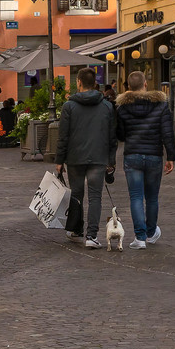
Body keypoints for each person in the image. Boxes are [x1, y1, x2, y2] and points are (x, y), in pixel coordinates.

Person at [55, 68, 117, 248]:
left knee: (77, 194)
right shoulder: (106, 106)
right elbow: (111, 136)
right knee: (95, 196)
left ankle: (76, 230)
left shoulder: (69, 106)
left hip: (74, 157)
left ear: (79, 82)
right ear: (95, 84)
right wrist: (111, 161)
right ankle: (92, 236)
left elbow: (63, 136)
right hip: (98, 157)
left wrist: (59, 160)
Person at [115, 71, 175, 249]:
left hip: (133, 155)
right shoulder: (161, 105)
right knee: (152, 197)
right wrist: (171, 156)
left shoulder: (123, 108)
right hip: (154, 155)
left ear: (128, 87)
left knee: (136, 197)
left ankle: (140, 238)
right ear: (145, 84)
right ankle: (151, 232)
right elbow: (167, 133)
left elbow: (120, 134)